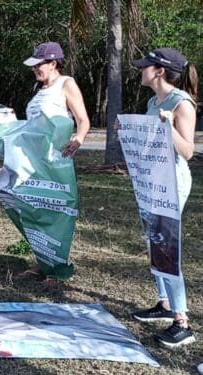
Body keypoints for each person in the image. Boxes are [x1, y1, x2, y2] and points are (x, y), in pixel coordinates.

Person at [128, 48, 198, 348]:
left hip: (172, 182)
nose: (141, 70)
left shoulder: (181, 103)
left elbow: (187, 151)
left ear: (159, 71)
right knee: (152, 241)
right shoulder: (151, 101)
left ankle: (183, 323)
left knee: (165, 246)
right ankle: (164, 304)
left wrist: (169, 126)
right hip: (152, 180)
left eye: (146, 66)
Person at [18, 42, 90, 284]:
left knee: (56, 211)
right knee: (35, 209)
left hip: (56, 161)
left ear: (53, 63)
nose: (35, 69)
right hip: (33, 161)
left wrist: (78, 139)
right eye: (34, 65)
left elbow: (83, 120)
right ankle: (43, 261)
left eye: (39, 64)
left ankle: (58, 268)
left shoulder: (66, 84)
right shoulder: (39, 88)